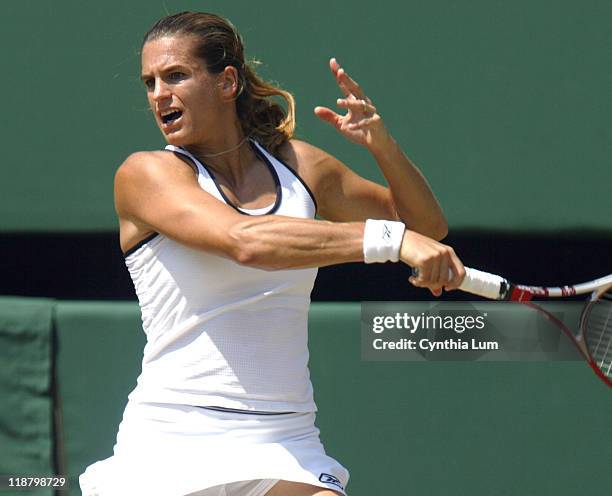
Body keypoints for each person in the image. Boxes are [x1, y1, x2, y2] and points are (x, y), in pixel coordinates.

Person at [79, 11, 465, 496]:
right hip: (172, 440)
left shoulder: (300, 166)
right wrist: (391, 242)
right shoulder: (146, 174)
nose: (159, 94)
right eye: (150, 82)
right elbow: (247, 241)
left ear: (227, 82)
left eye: (175, 75)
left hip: (285, 439)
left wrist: (382, 147)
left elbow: (426, 227)